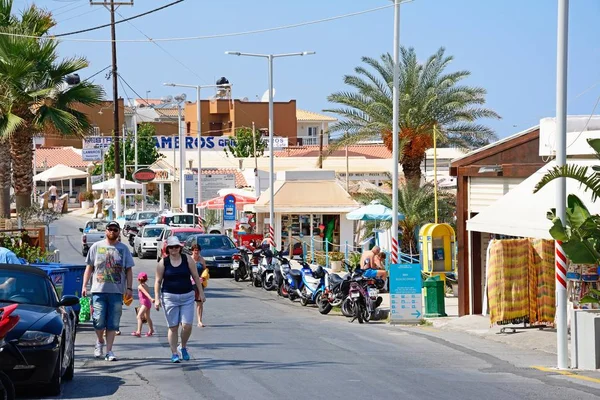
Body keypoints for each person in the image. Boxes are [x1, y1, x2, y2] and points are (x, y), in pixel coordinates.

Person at [82, 221, 134, 362]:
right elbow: (89, 268)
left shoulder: (123, 249)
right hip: (98, 290)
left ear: (118, 232)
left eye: (115, 229)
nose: (112, 231)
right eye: (110, 229)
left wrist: (129, 288)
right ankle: (100, 341)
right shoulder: (96, 247)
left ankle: (109, 351)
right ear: (106, 231)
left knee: (113, 323)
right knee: (98, 320)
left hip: (117, 292)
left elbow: (129, 270)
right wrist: (84, 286)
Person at [154, 236, 203, 363]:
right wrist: (157, 298)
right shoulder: (163, 263)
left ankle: (183, 346)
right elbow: (158, 281)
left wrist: (201, 293)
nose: (174, 249)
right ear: (168, 249)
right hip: (169, 297)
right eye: (171, 247)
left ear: (180, 248)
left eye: (176, 247)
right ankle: (174, 352)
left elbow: (196, 277)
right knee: (173, 327)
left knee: (187, 325)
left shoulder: (187, 259)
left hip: (187, 296)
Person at [132, 272, 154, 337]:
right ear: (146, 279)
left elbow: (146, 294)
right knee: (147, 317)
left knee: (139, 316)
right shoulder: (146, 286)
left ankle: (138, 331)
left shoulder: (140, 286)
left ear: (138, 279)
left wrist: (151, 298)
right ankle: (151, 330)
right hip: (147, 303)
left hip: (145, 303)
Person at [190, 244, 207, 327]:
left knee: (199, 302)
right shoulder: (189, 259)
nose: (196, 252)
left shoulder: (202, 260)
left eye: (198, 250)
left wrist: (204, 277)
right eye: (195, 250)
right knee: (188, 302)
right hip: (189, 283)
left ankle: (199, 321)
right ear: (192, 251)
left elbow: (205, 270)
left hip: (199, 283)